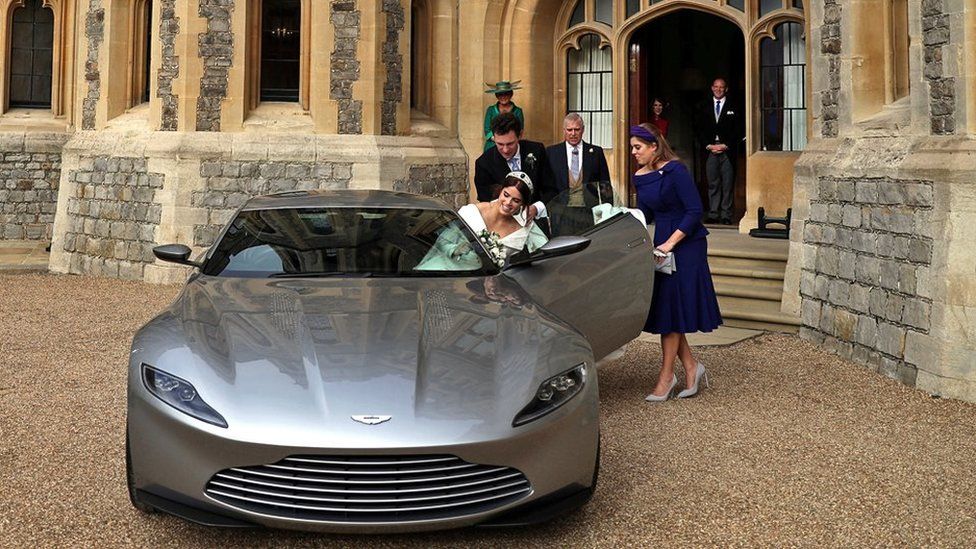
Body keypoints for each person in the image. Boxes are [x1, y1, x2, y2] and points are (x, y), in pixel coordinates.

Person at [630, 123, 722, 402]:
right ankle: (692, 368)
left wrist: (670, 243)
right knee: (671, 311)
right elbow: (644, 213)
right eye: (632, 148)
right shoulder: (640, 176)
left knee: (671, 313)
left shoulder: (676, 170)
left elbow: (694, 210)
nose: (633, 153)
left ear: (654, 146)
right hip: (662, 245)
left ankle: (666, 376)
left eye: (638, 147)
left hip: (687, 243)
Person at [474, 112, 556, 230]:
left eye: (510, 144)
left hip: (537, 224)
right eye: (500, 144)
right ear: (494, 138)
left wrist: (536, 208)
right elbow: (487, 202)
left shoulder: (537, 150)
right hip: (503, 228)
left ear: (520, 135)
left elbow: (551, 189)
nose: (505, 150)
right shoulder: (484, 163)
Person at [545, 113, 613, 235]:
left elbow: (605, 184)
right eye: (569, 130)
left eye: (577, 129)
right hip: (560, 213)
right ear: (564, 130)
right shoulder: (551, 153)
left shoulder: (596, 152)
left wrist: (609, 211)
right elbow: (546, 185)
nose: (573, 133)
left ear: (583, 130)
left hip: (588, 212)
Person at [695, 78, 743, 225]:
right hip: (710, 150)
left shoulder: (735, 106)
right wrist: (708, 145)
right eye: (716, 86)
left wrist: (726, 145)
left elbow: (739, 129)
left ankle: (726, 215)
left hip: (727, 150)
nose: (718, 89)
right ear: (712, 88)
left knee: (727, 184)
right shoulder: (703, 106)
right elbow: (698, 128)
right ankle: (713, 214)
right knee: (713, 183)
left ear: (726, 89)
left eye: (721, 87)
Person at [483, 81, 525, 152]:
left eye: (506, 94)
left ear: (511, 95)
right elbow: (487, 129)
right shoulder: (491, 110)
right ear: (496, 96)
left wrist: (508, 141)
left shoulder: (518, 111)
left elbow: (519, 130)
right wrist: (498, 140)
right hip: (492, 146)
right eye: (500, 94)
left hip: (511, 146)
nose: (503, 97)